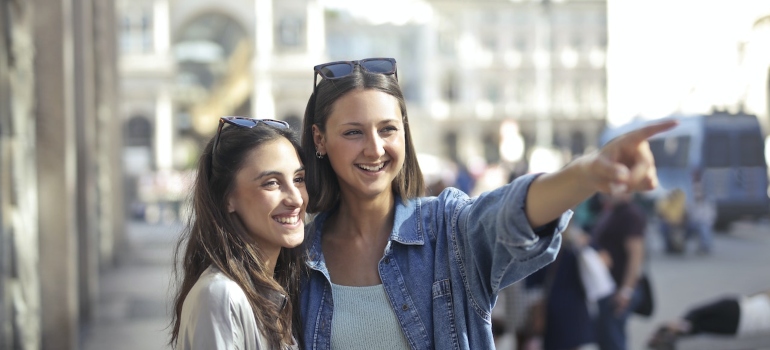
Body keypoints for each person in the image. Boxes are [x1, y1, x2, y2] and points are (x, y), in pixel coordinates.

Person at [298, 57, 677, 349]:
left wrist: (587, 174)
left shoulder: (445, 228)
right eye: (353, 132)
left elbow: (509, 215)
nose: (375, 148)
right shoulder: (297, 255)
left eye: (388, 129)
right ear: (319, 139)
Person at [169, 117, 307, 350]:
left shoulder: (278, 291)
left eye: (299, 179)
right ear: (227, 198)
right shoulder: (221, 295)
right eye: (271, 183)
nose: (296, 199)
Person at [591, 191, 647, 350]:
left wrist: (626, 290)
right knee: (606, 336)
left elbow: (636, 254)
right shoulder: (612, 211)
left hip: (618, 287)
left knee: (612, 340)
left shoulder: (630, 214)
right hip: (607, 285)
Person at [647, 289, 770, 350]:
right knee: (697, 323)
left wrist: (749, 298)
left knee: (695, 319)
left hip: (739, 311)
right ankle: (668, 333)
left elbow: (765, 293)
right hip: (739, 321)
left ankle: (667, 332)